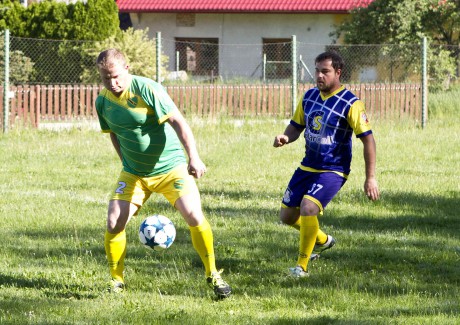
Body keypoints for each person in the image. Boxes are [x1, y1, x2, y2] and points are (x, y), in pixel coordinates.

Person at [95, 48, 231, 298]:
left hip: (171, 168)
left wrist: (194, 157)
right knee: (114, 222)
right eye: (106, 78)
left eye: (115, 76)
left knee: (193, 215)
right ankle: (116, 281)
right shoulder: (102, 102)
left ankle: (213, 274)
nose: (112, 83)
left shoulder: (148, 89)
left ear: (127, 69)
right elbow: (113, 133)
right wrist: (125, 162)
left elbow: (178, 121)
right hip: (135, 173)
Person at [273, 51, 380, 277]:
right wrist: (285, 137)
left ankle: (301, 267)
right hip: (307, 166)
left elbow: (368, 140)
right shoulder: (309, 97)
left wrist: (370, 177)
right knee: (287, 217)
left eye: (325, 71)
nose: (319, 76)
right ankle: (322, 240)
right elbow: (296, 126)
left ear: (338, 73)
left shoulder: (351, 103)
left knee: (308, 208)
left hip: (333, 169)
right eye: (317, 71)